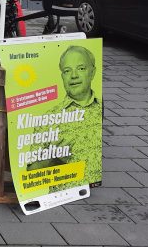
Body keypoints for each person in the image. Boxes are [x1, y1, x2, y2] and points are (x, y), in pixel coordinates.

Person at [30, 45, 102, 188]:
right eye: (67, 71)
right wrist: (52, 157)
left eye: (81, 68)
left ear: (92, 72)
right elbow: (31, 173)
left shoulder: (100, 109)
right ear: (62, 76)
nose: (74, 76)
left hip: (90, 188)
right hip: (62, 194)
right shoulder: (49, 118)